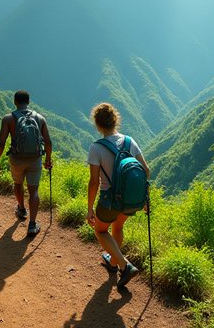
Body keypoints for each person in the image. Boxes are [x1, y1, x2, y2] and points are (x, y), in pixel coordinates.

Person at [86, 102, 149, 288]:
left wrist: (89, 209)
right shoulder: (130, 142)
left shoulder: (96, 148)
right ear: (115, 120)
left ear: (97, 124)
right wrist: (144, 197)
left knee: (100, 230)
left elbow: (94, 182)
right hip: (130, 200)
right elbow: (146, 171)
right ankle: (113, 263)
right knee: (118, 227)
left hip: (109, 201)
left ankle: (124, 265)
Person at [0, 90, 53, 237]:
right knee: (34, 191)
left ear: (15, 102)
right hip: (35, 159)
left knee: (18, 184)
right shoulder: (40, 118)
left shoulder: (8, 119)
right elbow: (48, 142)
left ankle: (21, 209)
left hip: (16, 159)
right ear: (29, 101)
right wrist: (48, 159)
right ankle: (32, 225)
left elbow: (1, 142)